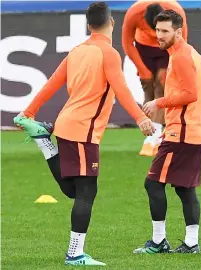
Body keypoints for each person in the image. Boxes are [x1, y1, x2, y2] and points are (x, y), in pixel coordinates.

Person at [14, 2, 155, 266]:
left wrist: (29, 112)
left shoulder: (77, 51)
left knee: (75, 191)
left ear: (89, 25)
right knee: (86, 192)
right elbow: (122, 89)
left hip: (68, 126)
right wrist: (141, 118)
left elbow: (51, 83)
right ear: (111, 23)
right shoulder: (109, 54)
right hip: (82, 131)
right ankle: (75, 254)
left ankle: (45, 141)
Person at [133, 10, 201, 254]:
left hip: (182, 133)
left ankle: (158, 242)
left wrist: (158, 102)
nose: (159, 35)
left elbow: (190, 95)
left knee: (153, 184)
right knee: (185, 188)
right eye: (157, 30)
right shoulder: (189, 53)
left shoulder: (182, 56)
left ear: (178, 31)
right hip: (193, 132)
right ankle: (191, 243)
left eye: (165, 31)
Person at [122, 0, 188, 157]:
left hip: (168, 47)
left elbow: (182, 43)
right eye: (154, 30)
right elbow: (127, 43)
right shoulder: (133, 13)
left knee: (162, 84)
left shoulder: (176, 11)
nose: (156, 35)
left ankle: (155, 135)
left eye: (160, 30)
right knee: (148, 87)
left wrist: (172, 66)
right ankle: (152, 131)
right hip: (143, 48)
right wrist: (142, 69)